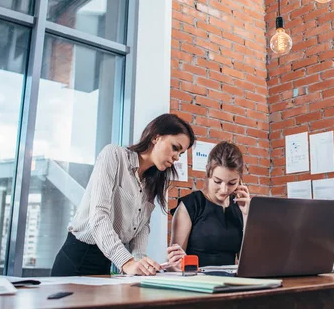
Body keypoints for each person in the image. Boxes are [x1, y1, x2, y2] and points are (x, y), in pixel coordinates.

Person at [51, 113, 195, 276]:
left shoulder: (151, 181)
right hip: (76, 259)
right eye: (175, 148)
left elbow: (142, 227)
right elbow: (98, 216)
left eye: (181, 153)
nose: (176, 157)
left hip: (105, 262)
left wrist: (140, 262)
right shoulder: (114, 155)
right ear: (156, 137)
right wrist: (127, 262)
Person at [169, 141, 251, 268]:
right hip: (196, 282)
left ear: (240, 180)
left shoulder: (239, 207)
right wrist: (178, 265)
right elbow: (173, 264)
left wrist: (247, 216)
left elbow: (246, 261)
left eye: (232, 183)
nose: (224, 190)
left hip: (229, 283)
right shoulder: (190, 205)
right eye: (217, 181)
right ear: (208, 173)